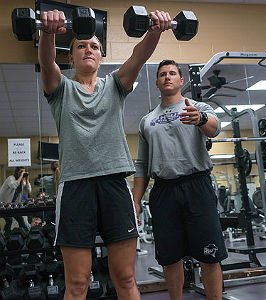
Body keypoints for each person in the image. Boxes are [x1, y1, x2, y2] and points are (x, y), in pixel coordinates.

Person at [38, 8, 172, 300]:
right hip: (75, 186)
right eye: (81, 46)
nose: (88, 49)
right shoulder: (60, 89)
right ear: (71, 56)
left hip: (114, 185)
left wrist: (156, 30)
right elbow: (47, 63)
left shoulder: (115, 86)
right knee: (76, 283)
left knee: (125, 278)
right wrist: (47, 33)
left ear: (101, 56)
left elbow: (139, 56)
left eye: (94, 46)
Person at [133, 60, 228, 300]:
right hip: (163, 190)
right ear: (157, 82)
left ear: (181, 80)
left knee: (210, 254)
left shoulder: (196, 107)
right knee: (169, 256)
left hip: (197, 186)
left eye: (172, 73)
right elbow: (142, 165)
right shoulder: (147, 120)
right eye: (162, 74)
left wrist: (201, 119)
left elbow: (215, 129)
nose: (167, 77)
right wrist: (135, 201)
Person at [0, 166, 31, 233]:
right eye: (21, 172)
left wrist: (27, 179)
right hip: (2, 204)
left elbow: (29, 190)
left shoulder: (22, 182)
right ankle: (6, 236)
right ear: (17, 172)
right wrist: (21, 176)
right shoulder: (11, 178)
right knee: (9, 220)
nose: (22, 174)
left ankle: (25, 234)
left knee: (20, 219)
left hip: (11, 205)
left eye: (23, 172)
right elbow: (14, 185)